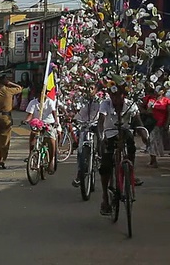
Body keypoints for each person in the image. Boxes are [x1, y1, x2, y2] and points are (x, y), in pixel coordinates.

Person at [98, 85, 143, 215]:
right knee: (105, 166)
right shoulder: (105, 104)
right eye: (113, 96)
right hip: (110, 135)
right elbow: (101, 122)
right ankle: (105, 198)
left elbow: (138, 122)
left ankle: (130, 171)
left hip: (125, 133)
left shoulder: (131, 105)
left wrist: (144, 135)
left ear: (124, 95)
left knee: (131, 146)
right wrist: (101, 136)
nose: (116, 98)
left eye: (119, 95)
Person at [0, 75, 23, 169]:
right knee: (5, 141)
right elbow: (20, 88)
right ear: (5, 82)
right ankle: (1, 159)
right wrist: (9, 83)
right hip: (6, 118)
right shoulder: (9, 91)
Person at [72, 86, 102, 187]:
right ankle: (80, 174)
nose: (89, 90)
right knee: (81, 149)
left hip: (96, 124)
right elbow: (80, 113)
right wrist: (74, 118)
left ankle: (100, 155)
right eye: (88, 88)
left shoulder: (100, 100)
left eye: (92, 88)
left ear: (96, 90)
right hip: (85, 125)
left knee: (100, 136)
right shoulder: (83, 100)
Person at [23, 97, 59, 174]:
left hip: (49, 124)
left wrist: (56, 121)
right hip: (37, 124)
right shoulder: (33, 102)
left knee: (51, 140)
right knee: (33, 136)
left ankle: (51, 160)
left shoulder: (50, 101)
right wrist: (26, 120)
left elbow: (54, 112)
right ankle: (32, 156)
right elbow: (30, 115)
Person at [142, 87, 170, 168]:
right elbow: (147, 110)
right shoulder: (152, 100)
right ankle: (153, 161)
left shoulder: (166, 101)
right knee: (152, 141)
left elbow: (169, 113)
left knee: (160, 142)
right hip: (152, 124)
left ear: (163, 91)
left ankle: (154, 160)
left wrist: (167, 123)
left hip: (162, 123)